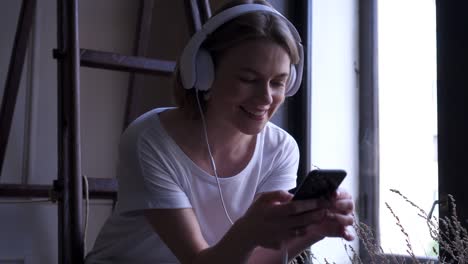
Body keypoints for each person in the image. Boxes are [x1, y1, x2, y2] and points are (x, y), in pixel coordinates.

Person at [85, 0, 354, 263]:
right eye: (248, 79)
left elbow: (252, 259)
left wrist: (312, 232)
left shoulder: (280, 149)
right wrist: (248, 231)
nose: (265, 98)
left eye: (278, 82)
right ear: (204, 73)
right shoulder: (151, 140)